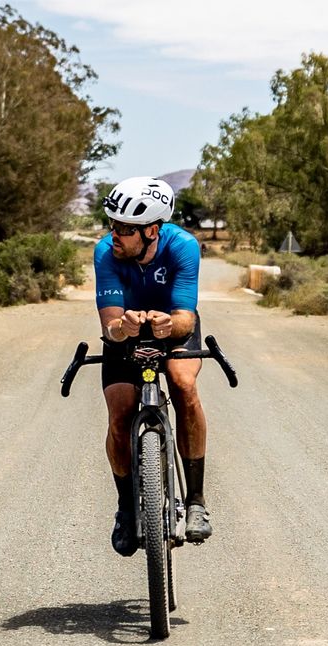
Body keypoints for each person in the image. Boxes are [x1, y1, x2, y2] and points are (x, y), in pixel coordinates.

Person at [94, 176, 210, 557]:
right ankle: (126, 509)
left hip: (172, 326)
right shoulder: (105, 253)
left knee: (183, 385)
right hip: (125, 334)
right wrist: (121, 328)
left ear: (152, 230)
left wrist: (167, 325)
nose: (115, 235)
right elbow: (109, 327)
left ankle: (195, 502)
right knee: (120, 412)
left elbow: (186, 320)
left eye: (125, 229)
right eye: (113, 225)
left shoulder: (183, 247)